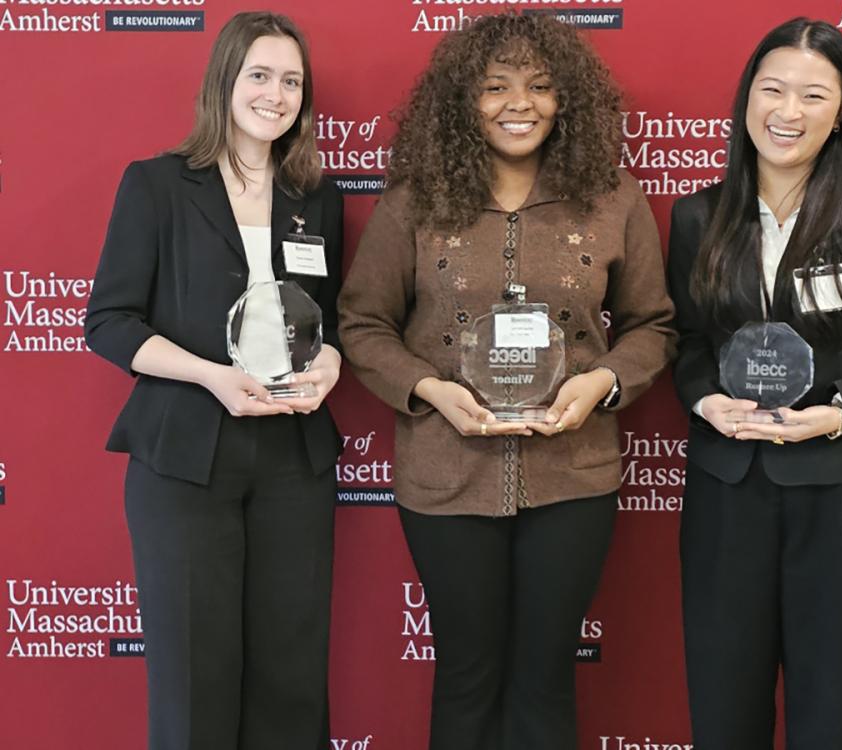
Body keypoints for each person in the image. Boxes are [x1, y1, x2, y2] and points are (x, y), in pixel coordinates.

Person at [338, 13, 674, 750]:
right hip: (445, 477)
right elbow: (362, 324)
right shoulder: (415, 202)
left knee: (546, 674)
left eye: (540, 86)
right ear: (464, 99)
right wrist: (431, 390)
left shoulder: (613, 198)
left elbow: (654, 324)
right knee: (466, 673)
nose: (518, 104)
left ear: (567, 101)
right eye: (495, 87)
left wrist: (604, 384)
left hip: (573, 477)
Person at [666, 17, 842, 750]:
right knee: (724, 712)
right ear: (746, 97)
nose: (787, 112)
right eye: (773, 90)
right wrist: (704, 399)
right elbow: (688, 343)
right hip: (729, 491)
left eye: (813, 95)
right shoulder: (699, 215)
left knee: (834, 711)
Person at [84, 12, 343, 750]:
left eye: (292, 80)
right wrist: (211, 376)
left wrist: (329, 365)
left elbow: (329, 321)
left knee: (292, 677)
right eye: (260, 75)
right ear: (224, 81)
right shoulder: (160, 184)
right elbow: (108, 322)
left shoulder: (315, 198)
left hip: (295, 459)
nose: (276, 93)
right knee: (195, 679)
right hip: (186, 457)